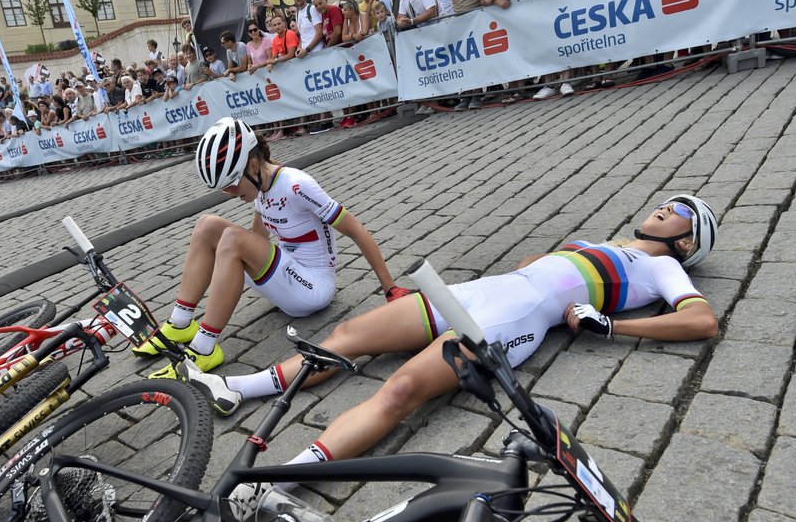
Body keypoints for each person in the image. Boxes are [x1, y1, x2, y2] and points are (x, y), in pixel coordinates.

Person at [178, 193, 722, 498]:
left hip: (512, 317)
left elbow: (701, 321)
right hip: (483, 291)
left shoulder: (662, 264)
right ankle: (233, 387)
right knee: (348, 337)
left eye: (678, 208)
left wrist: (610, 326)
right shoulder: (608, 243)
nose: (663, 204)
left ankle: (278, 482)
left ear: (688, 238)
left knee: (400, 391)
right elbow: (534, 265)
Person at [135, 117, 410, 378]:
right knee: (207, 225)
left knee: (231, 237)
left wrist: (390, 288)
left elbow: (356, 230)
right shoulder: (261, 190)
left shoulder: (296, 184)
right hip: (288, 277)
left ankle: (204, 348)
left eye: (231, 186)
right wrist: (230, 270)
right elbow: (258, 242)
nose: (230, 195)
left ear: (253, 166)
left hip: (314, 288)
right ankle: (180, 323)